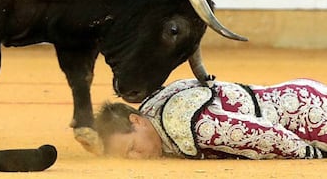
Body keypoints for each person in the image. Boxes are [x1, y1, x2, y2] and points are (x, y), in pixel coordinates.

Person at [94, 78, 327, 159]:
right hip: (296, 95)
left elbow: (263, 135)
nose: (137, 158)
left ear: (137, 121)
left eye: (132, 147)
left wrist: (309, 153)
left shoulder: (189, 126)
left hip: (305, 117)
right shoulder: (153, 107)